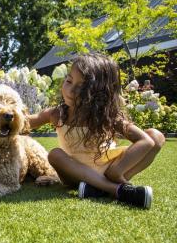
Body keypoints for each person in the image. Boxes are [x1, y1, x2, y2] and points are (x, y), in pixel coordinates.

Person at [28, 53, 165, 209]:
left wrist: (116, 171)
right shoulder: (57, 114)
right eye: (69, 81)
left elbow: (146, 141)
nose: (71, 91)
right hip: (74, 173)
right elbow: (25, 122)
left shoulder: (108, 116)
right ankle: (115, 189)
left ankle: (98, 188)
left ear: (100, 93)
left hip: (109, 169)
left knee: (156, 136)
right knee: (55, 154)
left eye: (82, 88)